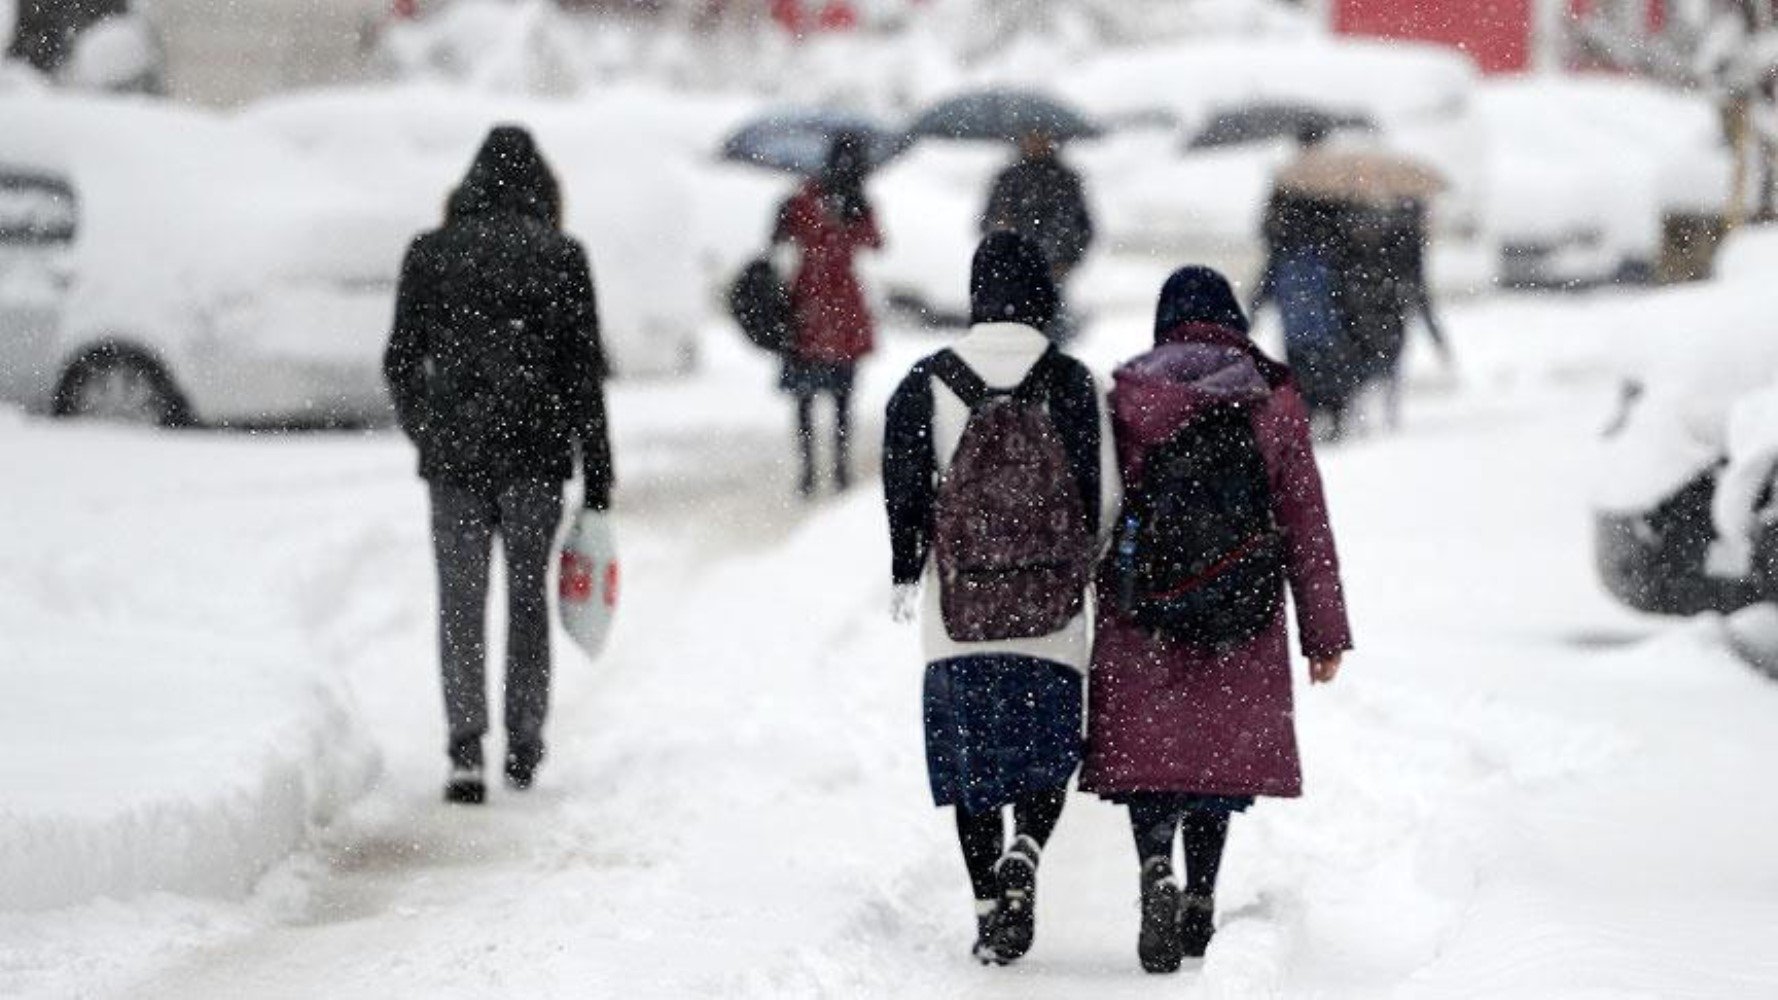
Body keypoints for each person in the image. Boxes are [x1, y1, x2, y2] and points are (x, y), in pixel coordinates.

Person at [1081, 266, 1352, 972]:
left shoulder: (1130, 395)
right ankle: (1200, 893)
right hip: (1243, 606)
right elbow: (1305, 523)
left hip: (1146, 610)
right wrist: (1323, 634)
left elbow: (1100, 510)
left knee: (1154, 759)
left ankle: (1154, 869)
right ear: (1231, 318)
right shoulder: (1271, 396)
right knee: (1213, 757)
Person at [882, 232, 1117, 966]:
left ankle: (989, 906)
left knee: (973, 767)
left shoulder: (927, 381)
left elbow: (903, 490)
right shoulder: (1072, 381)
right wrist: (1083, 567)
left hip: (960, 614)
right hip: (1050, 614)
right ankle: (1026, 849)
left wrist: (906, 565)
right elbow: (1103, 498)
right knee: (1047, 756)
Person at [384, 126, 614, 805]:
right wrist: (597, 469)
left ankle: (463, 748)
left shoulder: (430, 253)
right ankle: (523, 742)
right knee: (526, 599)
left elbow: (400, 359)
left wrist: (427, 427)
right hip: (535, 456)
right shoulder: (562, 256)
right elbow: (583, 375)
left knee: (460, 600)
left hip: (454, 457)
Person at [773, 130, 883, 497]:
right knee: (841, 397)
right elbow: (875, 242)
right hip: (839, 306)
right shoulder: (852, 201)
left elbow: (778, 240)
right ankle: (837, 469)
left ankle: (810, 471)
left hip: (807, 305)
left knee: (807, 398)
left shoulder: (805, 198)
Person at [981, 130, 1094, 343]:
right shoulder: (1008, 179)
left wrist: (1067, 261)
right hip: (1013, 274)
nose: (1036, 142)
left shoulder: (1066, 180)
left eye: (1041, 136)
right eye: (1029, 136)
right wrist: (1001, 229)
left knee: (1053, 334)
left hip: (1053, 273)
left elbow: (1084, 229)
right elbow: (986, 223)